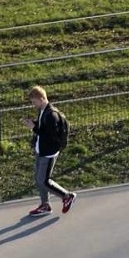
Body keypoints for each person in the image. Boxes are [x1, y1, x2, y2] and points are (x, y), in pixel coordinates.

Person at [23, 86, 76, 217]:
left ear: (41, 99)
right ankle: (45, 205)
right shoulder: (42, 111)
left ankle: (67, 196)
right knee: (38, 178)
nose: (32, 105)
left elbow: (50, 136)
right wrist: (34, 123)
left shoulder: (51, 115)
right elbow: (43, 128)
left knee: (44, 180)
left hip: (48, 153)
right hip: (41, 150)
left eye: (34, 102)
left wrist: (34, 128)